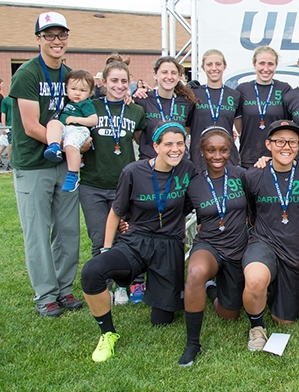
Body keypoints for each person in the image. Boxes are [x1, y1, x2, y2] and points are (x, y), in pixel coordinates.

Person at [80, 122, 196, 362]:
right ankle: (107, 333)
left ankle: (158, 290)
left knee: (161, 320)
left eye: (180, 144)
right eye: (168, 144)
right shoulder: (133, 171)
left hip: (169, 245)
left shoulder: (187, 169)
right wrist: (106, 248)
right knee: (92, 271)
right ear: (155, 146)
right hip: (137, 241)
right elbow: (116, 212)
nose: (175, 149)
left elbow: (193, 204)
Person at [9, 11, 82, 317]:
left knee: (67, 230)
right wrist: (69, 145)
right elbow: (30, 126)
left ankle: (64, 289)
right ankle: (45, 294)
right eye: (49, 35)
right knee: (38, 231)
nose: (56, 41)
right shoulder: (27, 74)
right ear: (38, 39)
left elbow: (82, 106)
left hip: (64, 164)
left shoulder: (67, 75)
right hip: (33, 164)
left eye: (61, 35)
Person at [242, 120, 299, 351]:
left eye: (292, 141)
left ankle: (272, 289)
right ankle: (256, 327)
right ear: (268, 144)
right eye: (279, 141)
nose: (286, 146)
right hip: (264, 242)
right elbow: (250, 213)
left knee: (286, 319)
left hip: (294, 249)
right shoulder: (254, 175)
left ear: (298, 144)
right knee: (255, 279)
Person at [180, 126, 248, 367]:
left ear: (231, 151)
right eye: (211, 150)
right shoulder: (194, 184)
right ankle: (192, 343)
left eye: (223, 150)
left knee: (229, 314)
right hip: (209, 244)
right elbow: (174, 211)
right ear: (201, 151)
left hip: (238, 249)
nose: (217, 156)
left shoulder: (242, 176)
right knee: (196, 272)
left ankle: (211, 288)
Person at [79, 54, 146, 260]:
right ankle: (102, 287)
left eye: (124, 81)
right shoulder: (90, 107)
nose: (119, 85)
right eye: (114, 80)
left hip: (123, 186)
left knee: (126, 236)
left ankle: (125, 287)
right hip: (94, 185)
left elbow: (138, 141)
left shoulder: (136, 110)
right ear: (104, 82)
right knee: (100, 239)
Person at [235, 46, 293, 168]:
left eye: (270, 64)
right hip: (248, 158)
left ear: (276, 66)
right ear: (254, 64)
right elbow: (239, 124)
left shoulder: (284, 89)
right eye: (261, 63)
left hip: (277, 158)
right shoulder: (243, 89)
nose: (266, 69)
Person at [42, 70, 98, 192]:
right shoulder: (67, 102)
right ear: (66, 88)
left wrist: (76, 119)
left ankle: (72, 175)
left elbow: (94, 120)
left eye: (83, 91)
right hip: (66, 128)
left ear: (90, 93)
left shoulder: (86, 103)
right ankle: (54, 146)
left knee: (70, 146)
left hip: (79, 130)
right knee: (53, 124)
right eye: (73, 89)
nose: (77, 93)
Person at [134, 56, 198, 160]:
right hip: (150, 163)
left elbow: (191, 129)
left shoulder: (187, 102)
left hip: (178, 163)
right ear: (155, 75)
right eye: (164, 72)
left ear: (179, 76)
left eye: (173, 73)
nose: (169, 77)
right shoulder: (142, 100)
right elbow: (137, 136)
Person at [188, 49, 242, 169]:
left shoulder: (234, 95)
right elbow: (188, 128)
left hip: (227, 156)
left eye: (218, 64)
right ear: (203, 67)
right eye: (209, 64)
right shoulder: (193, 93)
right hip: (199, 157)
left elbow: (240, 129)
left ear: (224, 66)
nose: (214, 68)